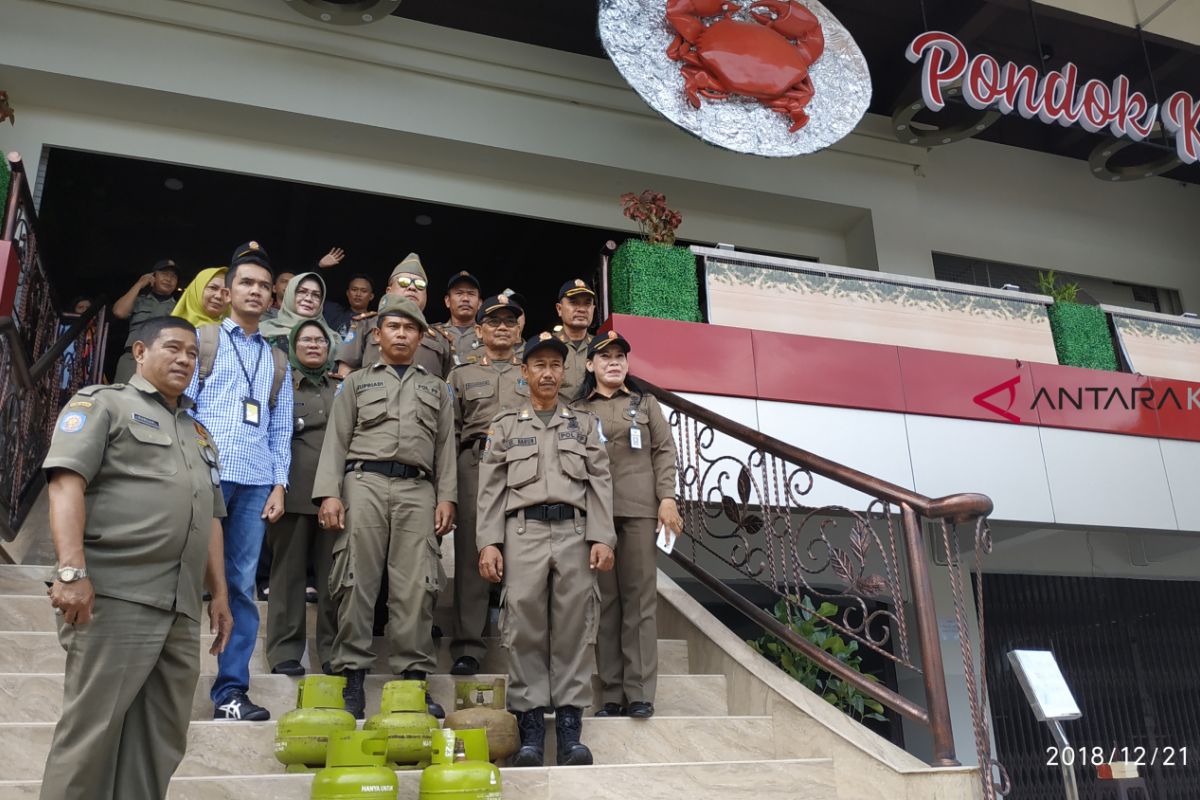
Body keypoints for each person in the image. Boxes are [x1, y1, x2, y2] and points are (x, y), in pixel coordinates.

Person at [38, 315, 232, 800]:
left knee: (160, 741)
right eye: (173, 348)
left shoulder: (197, 430)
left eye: (193, 353)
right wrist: (71, 570)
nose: (186, 359)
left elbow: (210, 516)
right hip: (116, 596)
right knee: (91, 737)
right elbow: (66, 483)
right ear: (140, 353)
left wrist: (221, 595)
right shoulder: (103, 404)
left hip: (180, 607)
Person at [476, 331, 616, 768]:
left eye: (556, 365)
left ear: (564, 371)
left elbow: (600, 483)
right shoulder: (504, 426)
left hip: (575, 534)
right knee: (524, 628)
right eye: (539, 365)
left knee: (575, 627)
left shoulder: (584, 424)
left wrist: (602, 536)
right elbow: (490, 490)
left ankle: (571, 730)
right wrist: (488, 543)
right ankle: (532, 728)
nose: (549, 372)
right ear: (525, 371)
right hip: (522, 534)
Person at [314, 293, 456, 720]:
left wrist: (446, 496)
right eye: (393, 327)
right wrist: (329, 493)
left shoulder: (436, 388)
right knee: (355, 577)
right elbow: (336, 440)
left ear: (419, 338)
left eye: (409, 328)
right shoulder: (356, 383)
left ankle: (413, 682)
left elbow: (445, 448)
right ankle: (352, 678)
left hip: (418, 489)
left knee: (418, 585)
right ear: (377, 335)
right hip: (363, 483)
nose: (401, 334)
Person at [185, 241, 294, 722]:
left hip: (254, 482)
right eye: (245, 283)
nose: (254, 291)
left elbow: (281, 428)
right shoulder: (202, 338)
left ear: (273, 299)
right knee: (183, 578)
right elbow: (181, 408)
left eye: (263, 286)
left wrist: (280, 484)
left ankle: (230, 691)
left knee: (242, 587)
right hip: (201, 476)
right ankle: (164, 681)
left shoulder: (277, 360)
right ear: (227, 291)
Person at [571, 330, 682, 719]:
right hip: (594, 515)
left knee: (639, 601)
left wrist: (666, 498)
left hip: (638, 511)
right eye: (605, 357)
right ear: (590, 365)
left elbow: (665, 451)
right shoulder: (576, 409)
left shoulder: (645, 404)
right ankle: (612, 694)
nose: (614, 362)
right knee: (606, 605)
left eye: (620, 356)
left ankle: (639, 693)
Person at [446, 294, 529, 676]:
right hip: (474, 465)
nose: (502, 327)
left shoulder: (531, 372)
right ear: (478, 330)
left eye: (509, 321)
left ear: (519, 328)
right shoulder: (461, 374)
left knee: (523, 555)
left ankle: (522, 646)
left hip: (523, 467)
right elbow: (450, 433)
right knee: (472, 555)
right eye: (494, 321)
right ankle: (467, 646)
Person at [265, 321, 340, 677]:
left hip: (336, 496)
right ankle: (284, 653)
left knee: (333, 578)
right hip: (291, 492)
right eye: (306, 340)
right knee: (288, 576)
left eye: (320, 340)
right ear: (294, 345)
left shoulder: (342, 387)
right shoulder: (278, 384)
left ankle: (332, 652)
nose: (314, 345)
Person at [335, 253, 455, 379]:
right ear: (388, 291)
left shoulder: (440, 339)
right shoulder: (365, 325)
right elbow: (345, 375)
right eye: (404, 282)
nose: (412, 287)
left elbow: (450, 386)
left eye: (420, 284)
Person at [111, 259, 180, 383]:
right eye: (164, 274)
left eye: (173, 277)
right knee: (122, 399)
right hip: (132, 359)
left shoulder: (180, 307)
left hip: (163, 361)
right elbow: (119, 312)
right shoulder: (138, 300)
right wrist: (139, 284)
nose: (169, 279)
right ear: (152, 277)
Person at [259, 271, 341, 363]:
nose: (308, 299)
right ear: (289, 294)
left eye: (316, 295)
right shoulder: (262, 332)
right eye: (301, 291)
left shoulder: (334, 338)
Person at [552, 279, 596, 402]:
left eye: (587, 304)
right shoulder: (545, 347)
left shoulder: (601, 347)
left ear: (593, 309)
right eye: (574, 303)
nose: (581, 309)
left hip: (595, 418)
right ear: (559, 309)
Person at [435, 270, 482, 358]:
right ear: (447, 301)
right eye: (459, 293)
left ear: (479, 303)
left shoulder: (488, 334)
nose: (465, 299)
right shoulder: (434, 334)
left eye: (471, 294)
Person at [325, 273, 375, 338]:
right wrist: (318, 267)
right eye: (354, 290)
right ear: (348, 293)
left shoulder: (374, 321)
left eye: (364, 291)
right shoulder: (334, 312)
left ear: (371, 296)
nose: (358, 294)